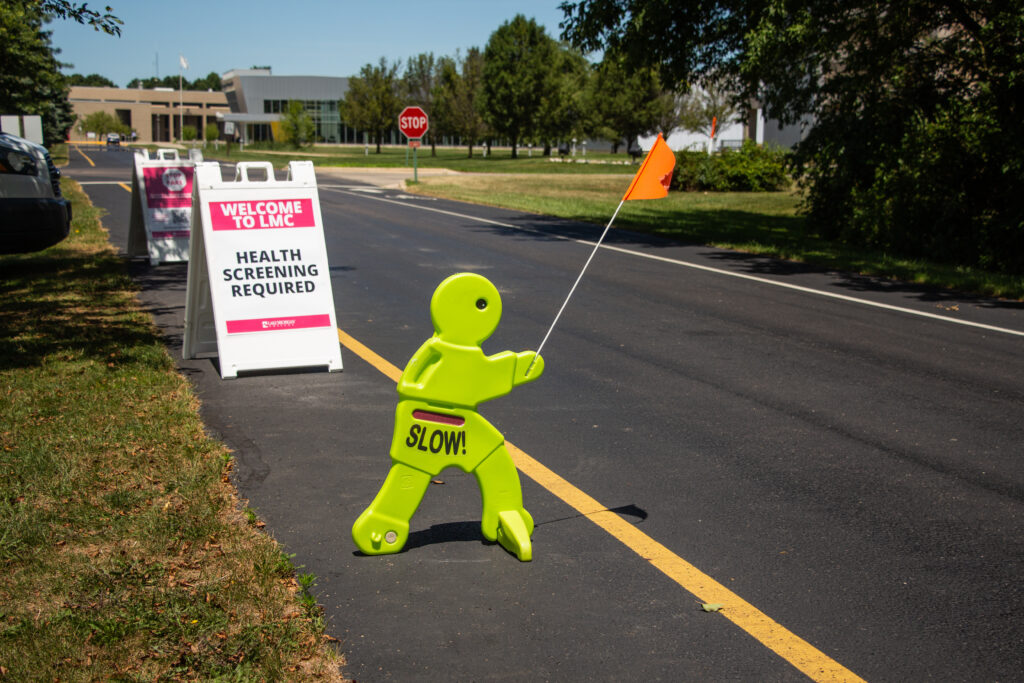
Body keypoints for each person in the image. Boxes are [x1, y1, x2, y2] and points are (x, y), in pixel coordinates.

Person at [352, 273, 544, 561]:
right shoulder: (453, 352)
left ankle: (386, 522)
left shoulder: (436, 349)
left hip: (429, 422)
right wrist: (516, 368)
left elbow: (408, 383)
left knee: (421, 471)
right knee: (487, 459)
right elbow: (483, 378)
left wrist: (512, 367)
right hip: (441, 423)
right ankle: (387, 521)